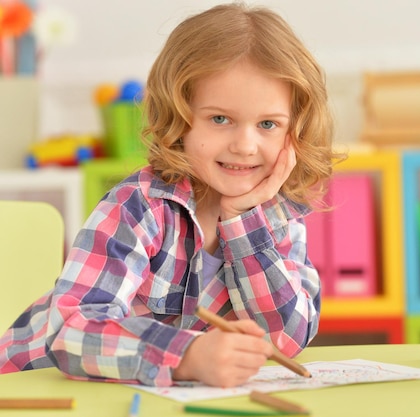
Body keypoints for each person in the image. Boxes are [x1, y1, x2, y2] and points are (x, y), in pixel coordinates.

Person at [0, 2, 343, 387]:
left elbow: (284, 339)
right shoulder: (139, 206)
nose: (246, 145)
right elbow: (71, 331)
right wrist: (186, 355)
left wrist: (243, 222)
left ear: (293, 129)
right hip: (30, 389)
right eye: (219, 119)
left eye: (268, 124)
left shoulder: (278, 216)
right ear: (179, 117)